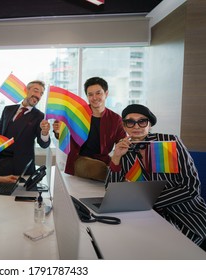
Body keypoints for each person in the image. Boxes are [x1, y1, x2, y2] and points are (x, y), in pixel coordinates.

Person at [107, 104, 206, 250]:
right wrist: (115, 158)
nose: (136, 126)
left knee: (173, 253)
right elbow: (112, 192)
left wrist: (143, 201)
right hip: (149, 219)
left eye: (142, 121)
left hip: (187, 216)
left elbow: (191, 187)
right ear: (125, 126)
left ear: (150, 125)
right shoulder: (124, 150)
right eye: (130, 122)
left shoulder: (169, 142)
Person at [53, 77, 126, 181]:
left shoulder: (115, 119)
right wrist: (58, 132)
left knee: (123, 168)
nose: (94, 97)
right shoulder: (77, 114)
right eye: (90, 94)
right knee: (98, 168)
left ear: (106, 93)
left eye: (98, 93)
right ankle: (114, 178)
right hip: (80, 159)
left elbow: (122, 142)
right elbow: (65, 137)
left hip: (104, 159)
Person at [0, 80, 51, 176]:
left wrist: (45, 133)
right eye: (36, 91)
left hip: (19, 164)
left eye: (41, 93)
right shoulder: (8, 110)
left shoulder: (40, 116)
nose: (38, 96)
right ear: (26, 90)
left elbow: (44, 144)